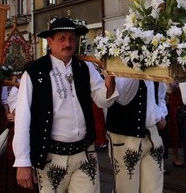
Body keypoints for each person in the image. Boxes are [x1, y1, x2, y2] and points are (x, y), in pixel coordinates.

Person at [13, 18, 118, 192]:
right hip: (51, 157)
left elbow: (103, 100)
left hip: (85, 153)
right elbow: (23, 118)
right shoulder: (34, 72)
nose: (67, 43)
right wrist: (23, 162)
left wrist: (110, 74)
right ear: (50, 41)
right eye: (61, 38)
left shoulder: (85, 67)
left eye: (71, 38)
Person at [105, 77, 167, 193]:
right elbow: (121, 98)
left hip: (152, 134)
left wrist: (161, 114)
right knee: (127, 188)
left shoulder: (157, 65)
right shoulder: (120, 65)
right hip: (125, 135)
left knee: (154, 188)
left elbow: (160, 97)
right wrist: (136, 67)